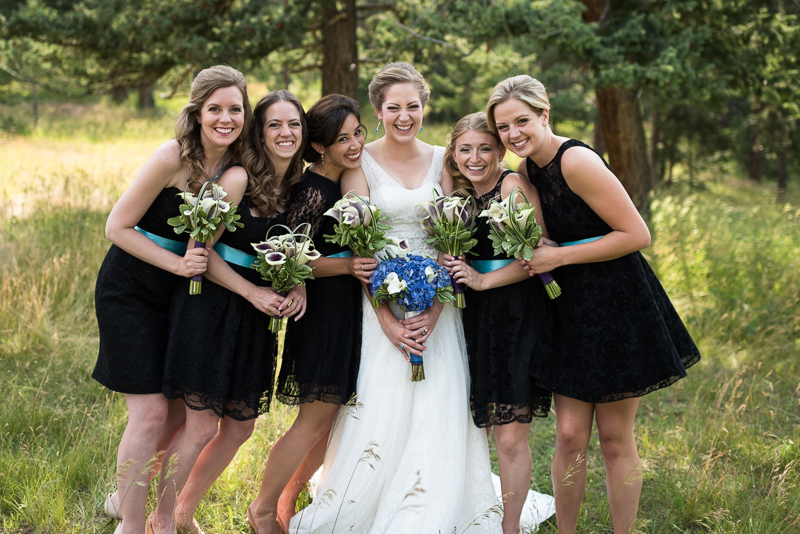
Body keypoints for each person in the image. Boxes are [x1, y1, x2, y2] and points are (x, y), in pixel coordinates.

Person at [288, 62, 501, 534]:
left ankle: (437, 502)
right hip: (376, 302)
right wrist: (386, 318)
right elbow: (359, 246)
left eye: (413, 106)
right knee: (382, 403)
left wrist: (436, 306)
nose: (404, 116)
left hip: (436, 305)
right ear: (378, 111)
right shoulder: (358, 164)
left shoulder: (442, 158)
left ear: (424, 108)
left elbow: (451, 239)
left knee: (438, 402)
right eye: (393, 107)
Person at [486, 74, 701, 534]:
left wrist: (558, 254)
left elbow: (637, 235)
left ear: (545, 115)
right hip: (568, 311)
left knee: (615, 438)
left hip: (618, 304)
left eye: (522, 121)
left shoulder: (576, 160)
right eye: (503, 127)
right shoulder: (525, 171)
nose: (513, 134)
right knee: (568, 436)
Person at [92, 65, 247, 534]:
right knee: (151, 411)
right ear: (197, 113)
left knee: (178, 411)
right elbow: (116, 228)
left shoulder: (234, 173)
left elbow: (209, 244)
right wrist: (178, 265)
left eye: (235, 109)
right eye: (214, 108)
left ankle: (123, 499)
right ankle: (133, 527)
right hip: (130, 290)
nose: (225, 118)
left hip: (180, 300)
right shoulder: (172, 156)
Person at [148, 90, 308, 534]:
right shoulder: (238, 179)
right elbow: (200, 251)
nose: (285, 133)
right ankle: (160, 520)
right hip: (212, 306)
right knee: (200, 427)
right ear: (260, 132)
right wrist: (252, 293)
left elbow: (286, 252)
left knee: (240, 427)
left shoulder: (295, 189)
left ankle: (183, 509)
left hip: (254, 319)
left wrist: (295, 283)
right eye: (274, 124)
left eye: (293, 124)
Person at [246, 94, 377, 534]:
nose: (355, 143)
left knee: (330, 417)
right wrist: (345, 264)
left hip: (347, 312)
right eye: (342, 139)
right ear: (320, 147)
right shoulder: (312, 190)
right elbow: (287, 256)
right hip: (321, 314)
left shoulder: (340, 182)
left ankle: (287, 499)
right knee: (313, 420)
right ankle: (262, 509)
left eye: (358, 132)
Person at [444, 112, 555, 534]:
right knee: (487, 428)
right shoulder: (460, 197)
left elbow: (541, 252)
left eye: (485, 148)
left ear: (501, 150)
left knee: (510, 436)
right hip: (472, 319)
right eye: (465, 149)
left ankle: (509, 528)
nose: (475, 158)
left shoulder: (510, 186)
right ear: (453, 153)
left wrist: (483, 278)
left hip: (514, 314)